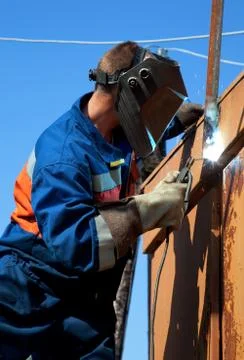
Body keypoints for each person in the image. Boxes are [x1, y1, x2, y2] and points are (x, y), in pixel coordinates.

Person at [0, 41, 202, 359]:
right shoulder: (64, 153)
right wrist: (145, 211)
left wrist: (182, 118)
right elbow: (74, 243)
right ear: (133, 89)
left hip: (84, 297)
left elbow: (147, 130)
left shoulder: (119, 133)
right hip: (29, 287)